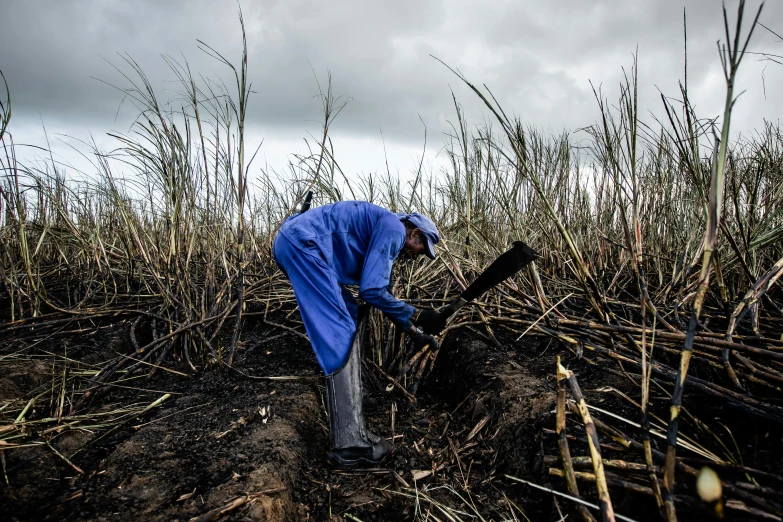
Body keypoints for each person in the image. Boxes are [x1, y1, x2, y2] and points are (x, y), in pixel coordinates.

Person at [273, 200, 447, 468]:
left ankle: (350, 398)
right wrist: (420, 314)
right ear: (414, 234)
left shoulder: (386, 230)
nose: (418, 256)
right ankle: (350, 444)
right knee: (340, 326)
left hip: (295, 241)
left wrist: (415, 332)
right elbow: (371, 291)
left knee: (350, 310)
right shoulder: (393, 229)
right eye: (422, 249)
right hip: (303, 244)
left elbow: (382, 294)